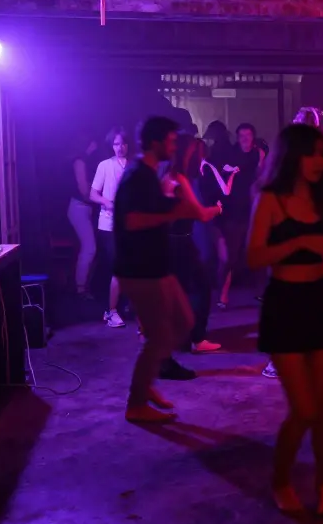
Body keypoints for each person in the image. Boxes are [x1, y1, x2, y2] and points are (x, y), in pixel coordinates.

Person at [246, 123, 323, 516]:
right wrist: (302, 242)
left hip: (320, 300)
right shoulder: (270, 198)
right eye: (311, 153)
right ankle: (280, 480)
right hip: (285, 304)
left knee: (322, 408)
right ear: (292, 155)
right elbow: (254, 256)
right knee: (304, 410)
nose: (319, 161)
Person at [113, 116, 203, 423]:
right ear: (156, 143)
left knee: (183, 322)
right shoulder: (137, 175)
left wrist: (167, 199)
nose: (175, 146)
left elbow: (148, 211)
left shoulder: (148, 175)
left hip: (156, 266)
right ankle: (137, 403)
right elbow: (132, 221)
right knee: (159, 335)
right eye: (171, 141)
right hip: (140, 269)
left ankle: (145, 383)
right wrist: (174, 210)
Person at [170, 134, 227, 355]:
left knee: (180, 290)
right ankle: (197, 338)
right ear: (187, 152)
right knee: (202, 288)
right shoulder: (180, 179)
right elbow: (201, 214)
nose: (199, 155)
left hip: (171, 241)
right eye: (195, 150)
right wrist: (217, 209)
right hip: (180, 242)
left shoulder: (169, 174)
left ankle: (180, 338)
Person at [216, 123, 265, 309]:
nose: (245, 138)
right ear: (237, 137)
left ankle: (261, 292)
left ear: (253, 137)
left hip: (252, 208)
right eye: (241, 135)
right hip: (234, 210)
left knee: (257, 250)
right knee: (230, 256)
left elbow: (262, 176)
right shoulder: (231, 154)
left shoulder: (258, 154)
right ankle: (223, 295)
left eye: (248, 135)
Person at [91, 128, 130, 328]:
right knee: (117, 267)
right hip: (109, 224)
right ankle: (111, 311)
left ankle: (123, 305)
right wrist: (107, 202)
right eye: (115, 144)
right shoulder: (104, 166)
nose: (119, 147)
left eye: (122, 143)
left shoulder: (134, 166)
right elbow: (93, 194)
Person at [67, 132, 99, 300]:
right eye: (93, 143)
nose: (96, 146)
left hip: (84, 208)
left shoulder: (85, 160)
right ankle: (80, 288)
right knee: (89, 248)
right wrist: (101, 199)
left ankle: (84, 286)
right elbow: (84, 191)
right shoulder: (80, 161)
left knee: (91, 248)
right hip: (79, 207)